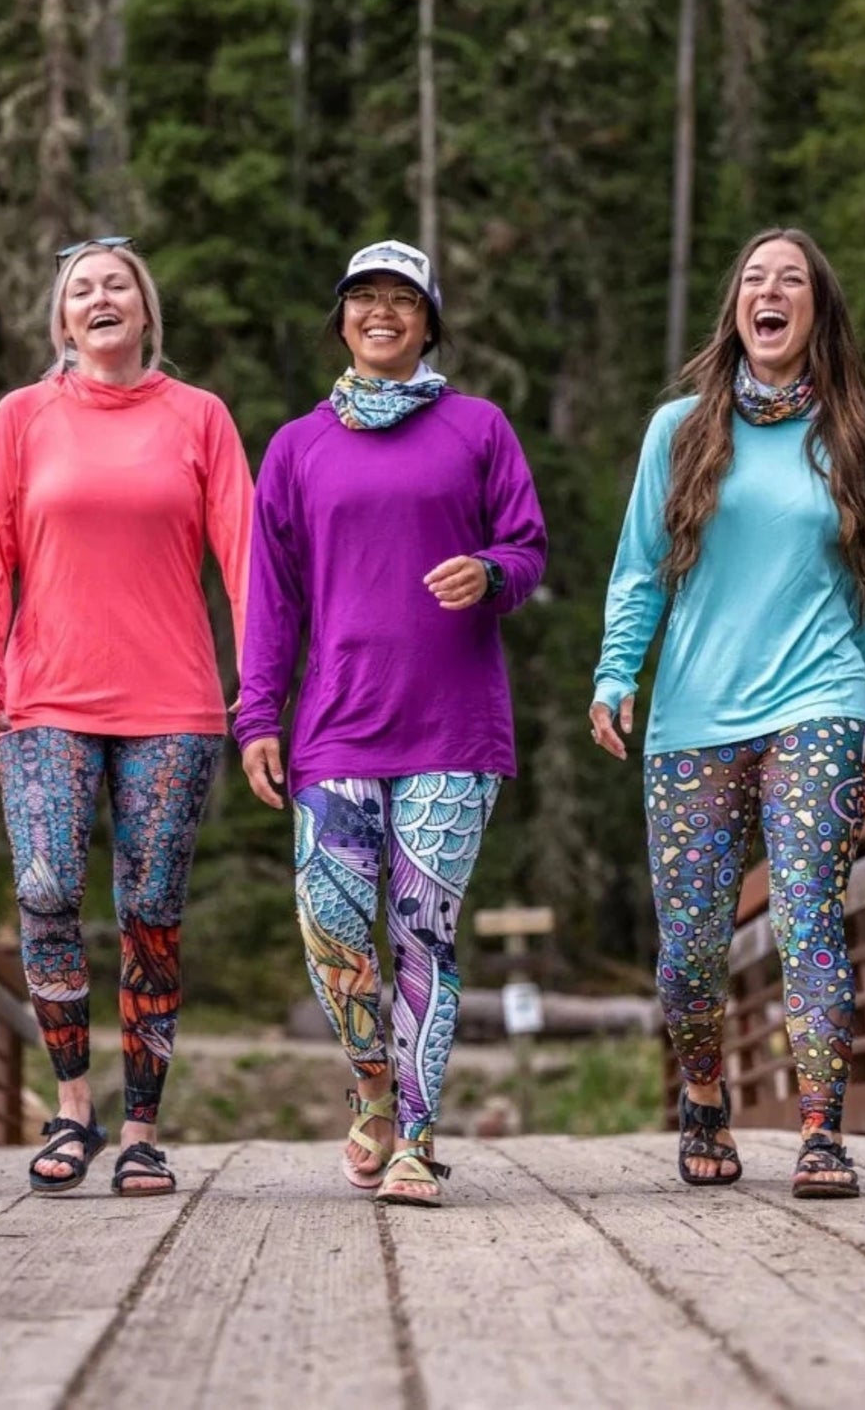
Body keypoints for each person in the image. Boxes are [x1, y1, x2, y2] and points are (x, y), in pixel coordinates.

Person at [234, 240, 547, 1207]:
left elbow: (527, 548)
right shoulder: (297, 447)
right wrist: (256, 714)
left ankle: (415, 1135)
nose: (381, 313)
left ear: (428, 322)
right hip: (336, 725)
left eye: (402, 299)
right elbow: (272, 595)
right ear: (341, 319)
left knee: (422, 934)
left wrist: (489, 572)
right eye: (363, 297)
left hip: (452, 728)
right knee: (330, 928)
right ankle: (371, 1084)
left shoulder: (478, 428)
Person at [590, 226, 865, 1199]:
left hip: (820, 702)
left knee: (808, 916)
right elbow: (640, 567)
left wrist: (863, 710)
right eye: (754, 278)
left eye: (790, 278)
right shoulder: (679, 429)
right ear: (736, 308)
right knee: (689, 951)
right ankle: (701, 1097)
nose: (769, 290)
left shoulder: (862, 434)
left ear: (815, 308)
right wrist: (615, 673)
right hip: (694, 716)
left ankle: (820, 1132)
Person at [0, 237, 252, 1196]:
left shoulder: (200, 417)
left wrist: (260, 690)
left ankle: (141, 1129)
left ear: (145, 308)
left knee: (151, 912)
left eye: (116, 284)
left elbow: (246, 560)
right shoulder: (21, 417)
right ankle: (72, 1104)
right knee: (46, 889)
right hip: (44, 696)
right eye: (80, 288)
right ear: (62, 319)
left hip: (174, 701)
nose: (99, 297)